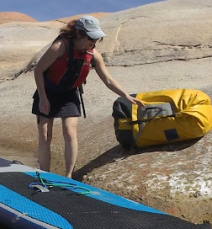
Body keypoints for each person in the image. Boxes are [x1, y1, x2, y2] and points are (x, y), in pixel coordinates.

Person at [32, 15, 143, 179]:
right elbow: (38, 70)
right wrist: (43, 97)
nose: (94, 43)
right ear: (78, 34)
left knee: (70, 132)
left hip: (69, 94)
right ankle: (44, 175)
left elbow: (108, 79)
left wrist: (126, 95)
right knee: (45, 135)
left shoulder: (93, 54)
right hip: (48, 91)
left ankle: (69, 176)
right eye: (91, 38)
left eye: (96, 39)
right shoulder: (60, 46)